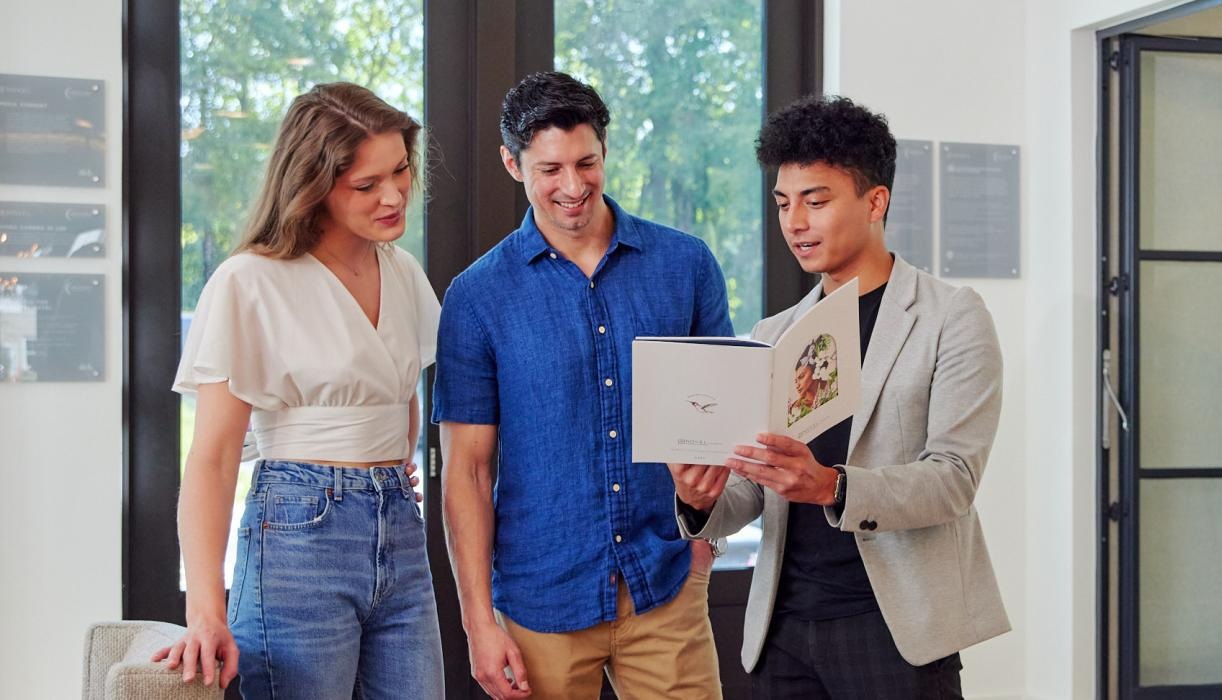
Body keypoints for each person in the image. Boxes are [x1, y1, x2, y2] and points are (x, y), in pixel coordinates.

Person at [671, 95, 1009, 699]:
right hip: (782, 632)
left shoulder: (950, 317)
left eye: (816, 201)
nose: (794, 222)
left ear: (875, 201)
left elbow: (954, 478)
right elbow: (752, 491)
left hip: (893, 632)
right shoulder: (773, 334)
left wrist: (831, 485)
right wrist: (699, 503)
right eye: (783, 203)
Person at [433, 71, 730, 700]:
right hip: (541, 600)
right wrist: (478, 623)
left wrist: (704, 541)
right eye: (550, 170)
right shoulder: (476, 297)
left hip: (664, 586)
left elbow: (718, 420)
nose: (573, 187)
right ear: (512, 164)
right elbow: (467, 471)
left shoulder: (686, 265)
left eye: (586, 162)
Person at [157, 82, 443, 697]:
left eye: (400, 171)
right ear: (313, 185)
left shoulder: (402, 271)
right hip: (299, 532)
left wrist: (387, 464)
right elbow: (209, 458)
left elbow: (402, 389)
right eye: (367, 185)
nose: (394, 195)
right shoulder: (250, 281)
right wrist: (206, 610)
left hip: (398, 528)